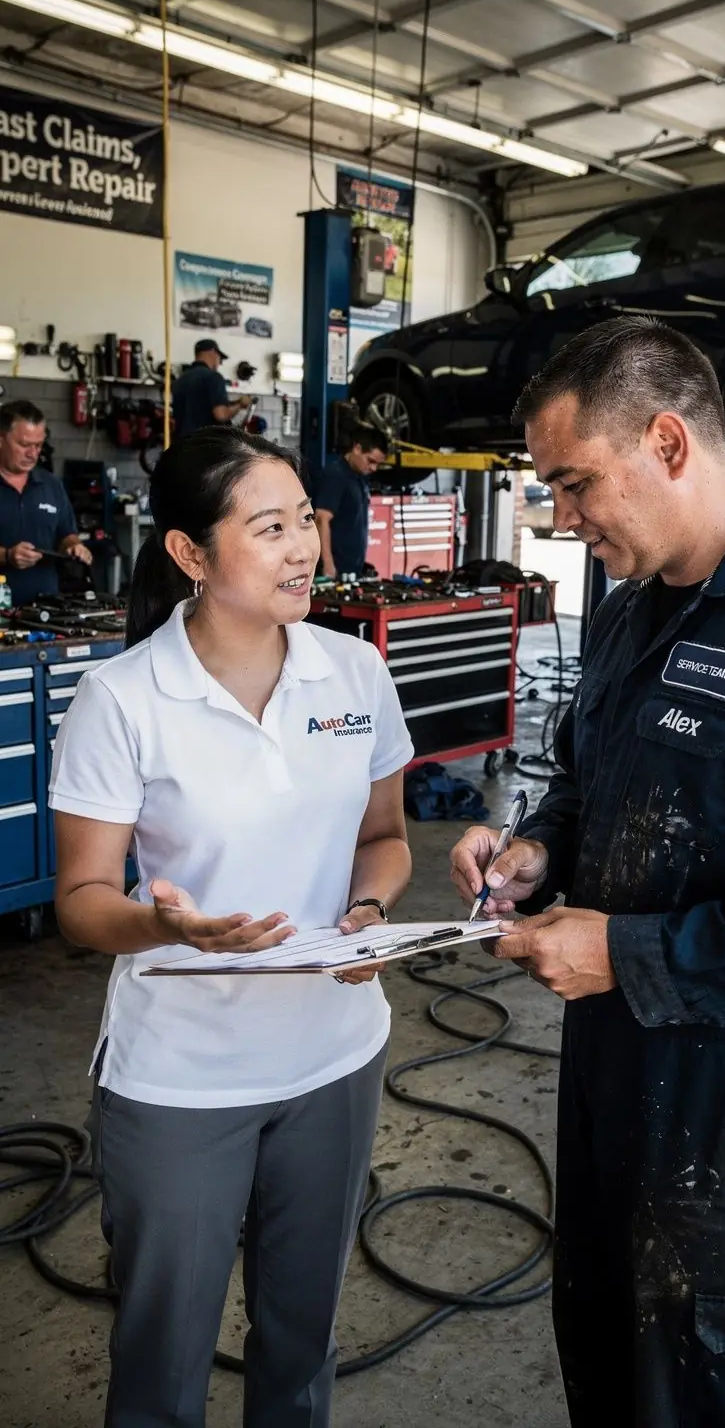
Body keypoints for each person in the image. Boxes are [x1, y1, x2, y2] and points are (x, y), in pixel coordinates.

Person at [450, 316, 725, 1426]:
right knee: (610, 1363)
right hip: (615, 1081)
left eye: (575, 485)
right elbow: (584, 776)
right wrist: (539, 848)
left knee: (715, 1389)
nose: (562, 521)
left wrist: (624, 951)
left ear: (667, 442)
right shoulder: (627, 608)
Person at [49, 425, 413, 1427]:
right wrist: (172, 930)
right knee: (162, 1359)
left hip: (335, 1059)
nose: (303, 546)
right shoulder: (121, 699)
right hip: (182, 1080)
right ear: (190, 554)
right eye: (268, 527)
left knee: (300, 1346)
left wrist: (370, 909)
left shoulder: (354, 674)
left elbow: (384, 837)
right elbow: (82, 902)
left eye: (305, 519)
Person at [0, 399, 92, 604]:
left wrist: (75, 546)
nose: (33, 453)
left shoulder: (51, 485)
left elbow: (66, 534)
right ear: (1, 439)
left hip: (45, 609)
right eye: (24, 445)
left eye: (38, 445)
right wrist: (7, 556)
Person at [314, 423, 388, 579]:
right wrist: (327, 563)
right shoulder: (335, 475)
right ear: (357, 448)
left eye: (378, 464)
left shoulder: (359, 477)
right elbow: (321, 518)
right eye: (371, 461)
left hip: (351, 570)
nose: (374, 468)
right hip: (333, 571)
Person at [172, 338, 252, 439]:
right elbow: (221, 415)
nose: (219, 364)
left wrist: (235, 402)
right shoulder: (214, 377)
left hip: (181, 446)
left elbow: (198, 406)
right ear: (213, 352)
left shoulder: (180, 380)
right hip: (204, 446)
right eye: (220, 359)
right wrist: (241, 404)